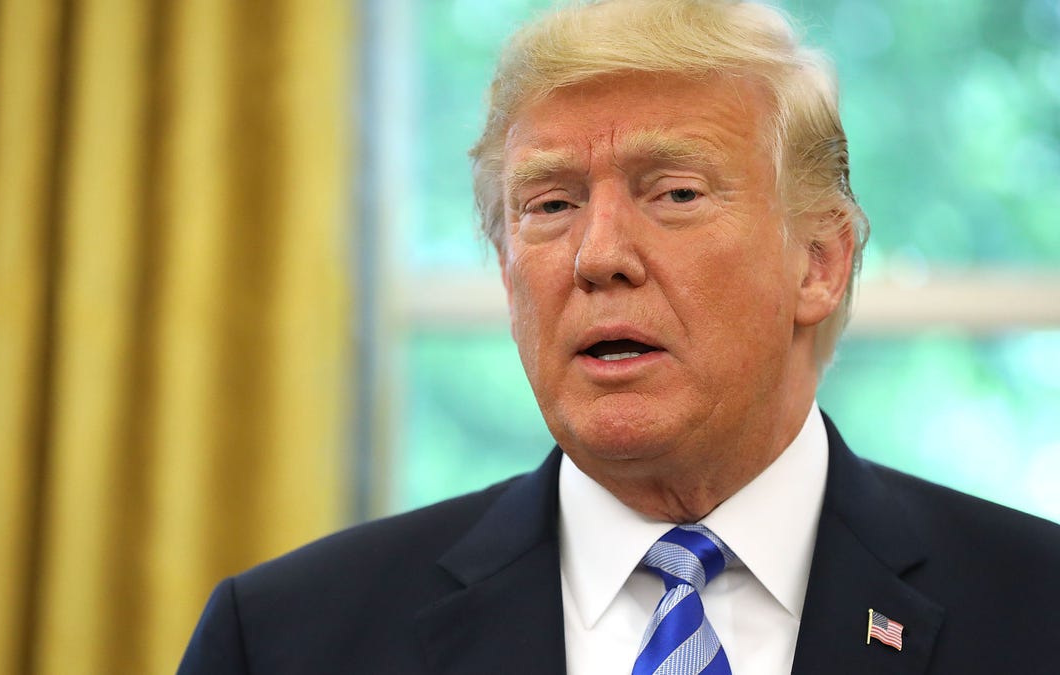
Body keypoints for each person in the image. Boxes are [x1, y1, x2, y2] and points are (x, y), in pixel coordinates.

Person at [178, 1, 1060, 673]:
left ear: (819, 263)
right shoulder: (288, 638)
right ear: (506, 272)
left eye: (674, 192)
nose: (598, 256)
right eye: (551, 205)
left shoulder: (1035, 610)